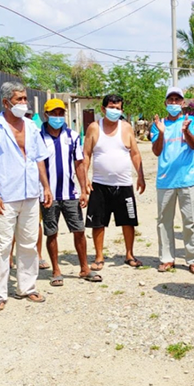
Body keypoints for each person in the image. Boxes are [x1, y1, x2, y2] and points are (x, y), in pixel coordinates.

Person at [0, 82, 52, 312]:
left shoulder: (31, 126)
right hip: (5, 195)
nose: (23, 103)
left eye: (25, 98)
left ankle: (27, 287)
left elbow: (39, 159)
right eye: (19, 99)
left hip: (30, 193)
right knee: (2, 247)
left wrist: (45, 187)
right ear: (6, 102)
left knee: (29, 243)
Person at [83, 94, 146, 271]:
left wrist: (140, 175)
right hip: (99, 184)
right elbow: (86, 154)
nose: (114, 111)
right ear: (103, 109)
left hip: (124, 184)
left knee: (128, 221)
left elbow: (134, 152)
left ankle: (129, 254)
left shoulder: (126, 128)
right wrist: (84, 179)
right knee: (98, 222)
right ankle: (99, 257)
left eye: (118, 108)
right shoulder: (94, 128)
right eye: (111, 107)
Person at [39, 99, 99, 285]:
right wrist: (44, 188)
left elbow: (79, 163)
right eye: (53, 113)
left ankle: (84, 268)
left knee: (79, 230)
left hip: (70, 193)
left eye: (60, 113)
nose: (57, 117)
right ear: (45, 115)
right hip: (48, 195)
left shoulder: (72, 136)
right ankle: (56, 270)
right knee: (52, 232)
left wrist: (83, 189)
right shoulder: (38, 137)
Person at [150, 87, 194, 274]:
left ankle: (193, 259)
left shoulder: (191, 121)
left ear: (183, 103)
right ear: (165, 103)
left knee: (191, 221)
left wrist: (186, 131)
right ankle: (166, 258)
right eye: (170, 100)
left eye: (177, 100)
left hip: (188, 180)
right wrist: (162, 133)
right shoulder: (158, 124)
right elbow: (156, 151)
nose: (173, 103)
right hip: (165, 181)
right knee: (164, 222)